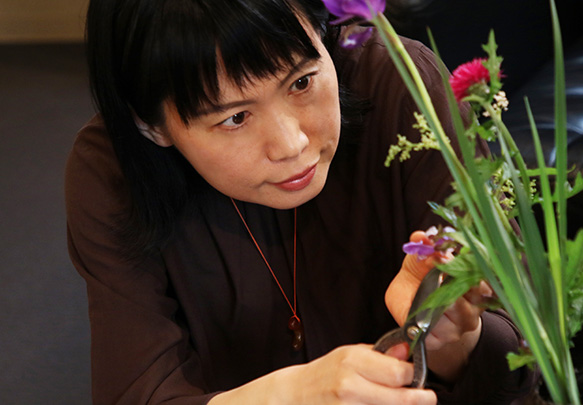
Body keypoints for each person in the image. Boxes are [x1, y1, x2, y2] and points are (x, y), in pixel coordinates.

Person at [65, 0, 535, 403]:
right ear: (152, 125)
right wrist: (287, 395)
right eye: (234, 118)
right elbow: (138, 391)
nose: (291, 145)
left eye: (301, 83)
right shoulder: (112, 171)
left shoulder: (399, 84)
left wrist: (455, 340)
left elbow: (530, 356)